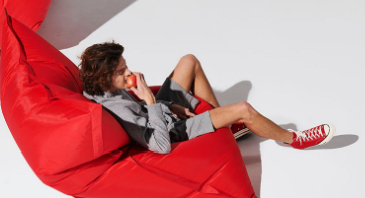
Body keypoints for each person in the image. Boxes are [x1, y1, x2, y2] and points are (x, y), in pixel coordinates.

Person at [79, 41, 333, 153]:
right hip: (175, 132)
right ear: (104, 77)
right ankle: (294, 139)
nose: (129, 73)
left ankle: (226, 128)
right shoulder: (119, 111)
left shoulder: (98, 87)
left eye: (125, 66)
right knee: (244, 108)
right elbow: (161, 146)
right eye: (121, 71)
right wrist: (152, 102)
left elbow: (144, 110)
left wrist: (171, 105)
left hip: (166, 114)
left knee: (188, 60)